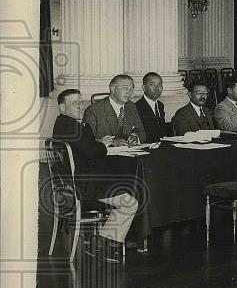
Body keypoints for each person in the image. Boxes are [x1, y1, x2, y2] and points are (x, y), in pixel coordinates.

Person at [51, 89, 139, 262]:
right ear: (62, 108)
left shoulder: (66, 124)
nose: (80, 106)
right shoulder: (70, 126)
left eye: (80, 102)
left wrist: (98, 143)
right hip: (84, 187)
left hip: (75, 184)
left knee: (124, 185)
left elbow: (85, 148)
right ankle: (105, 245)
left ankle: (98, 242)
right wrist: (103, 146)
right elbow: (91, 152)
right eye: (74, 103)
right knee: (130, 202)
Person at [83, 74, 146, 144]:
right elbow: (87, 140)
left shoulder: (131, 106)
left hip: (129, 152)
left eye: (131, 89)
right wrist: (112, 142)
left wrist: (135, 137)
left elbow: (141, 131)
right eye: (125, 88)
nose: (129, 92)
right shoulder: (94, 110)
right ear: (112, 88)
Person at [134, 72, 169, 142]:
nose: (157, 88)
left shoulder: (160, 105)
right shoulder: (137, 107)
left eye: (159, 85)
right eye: (152, 85)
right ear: (144, 87)